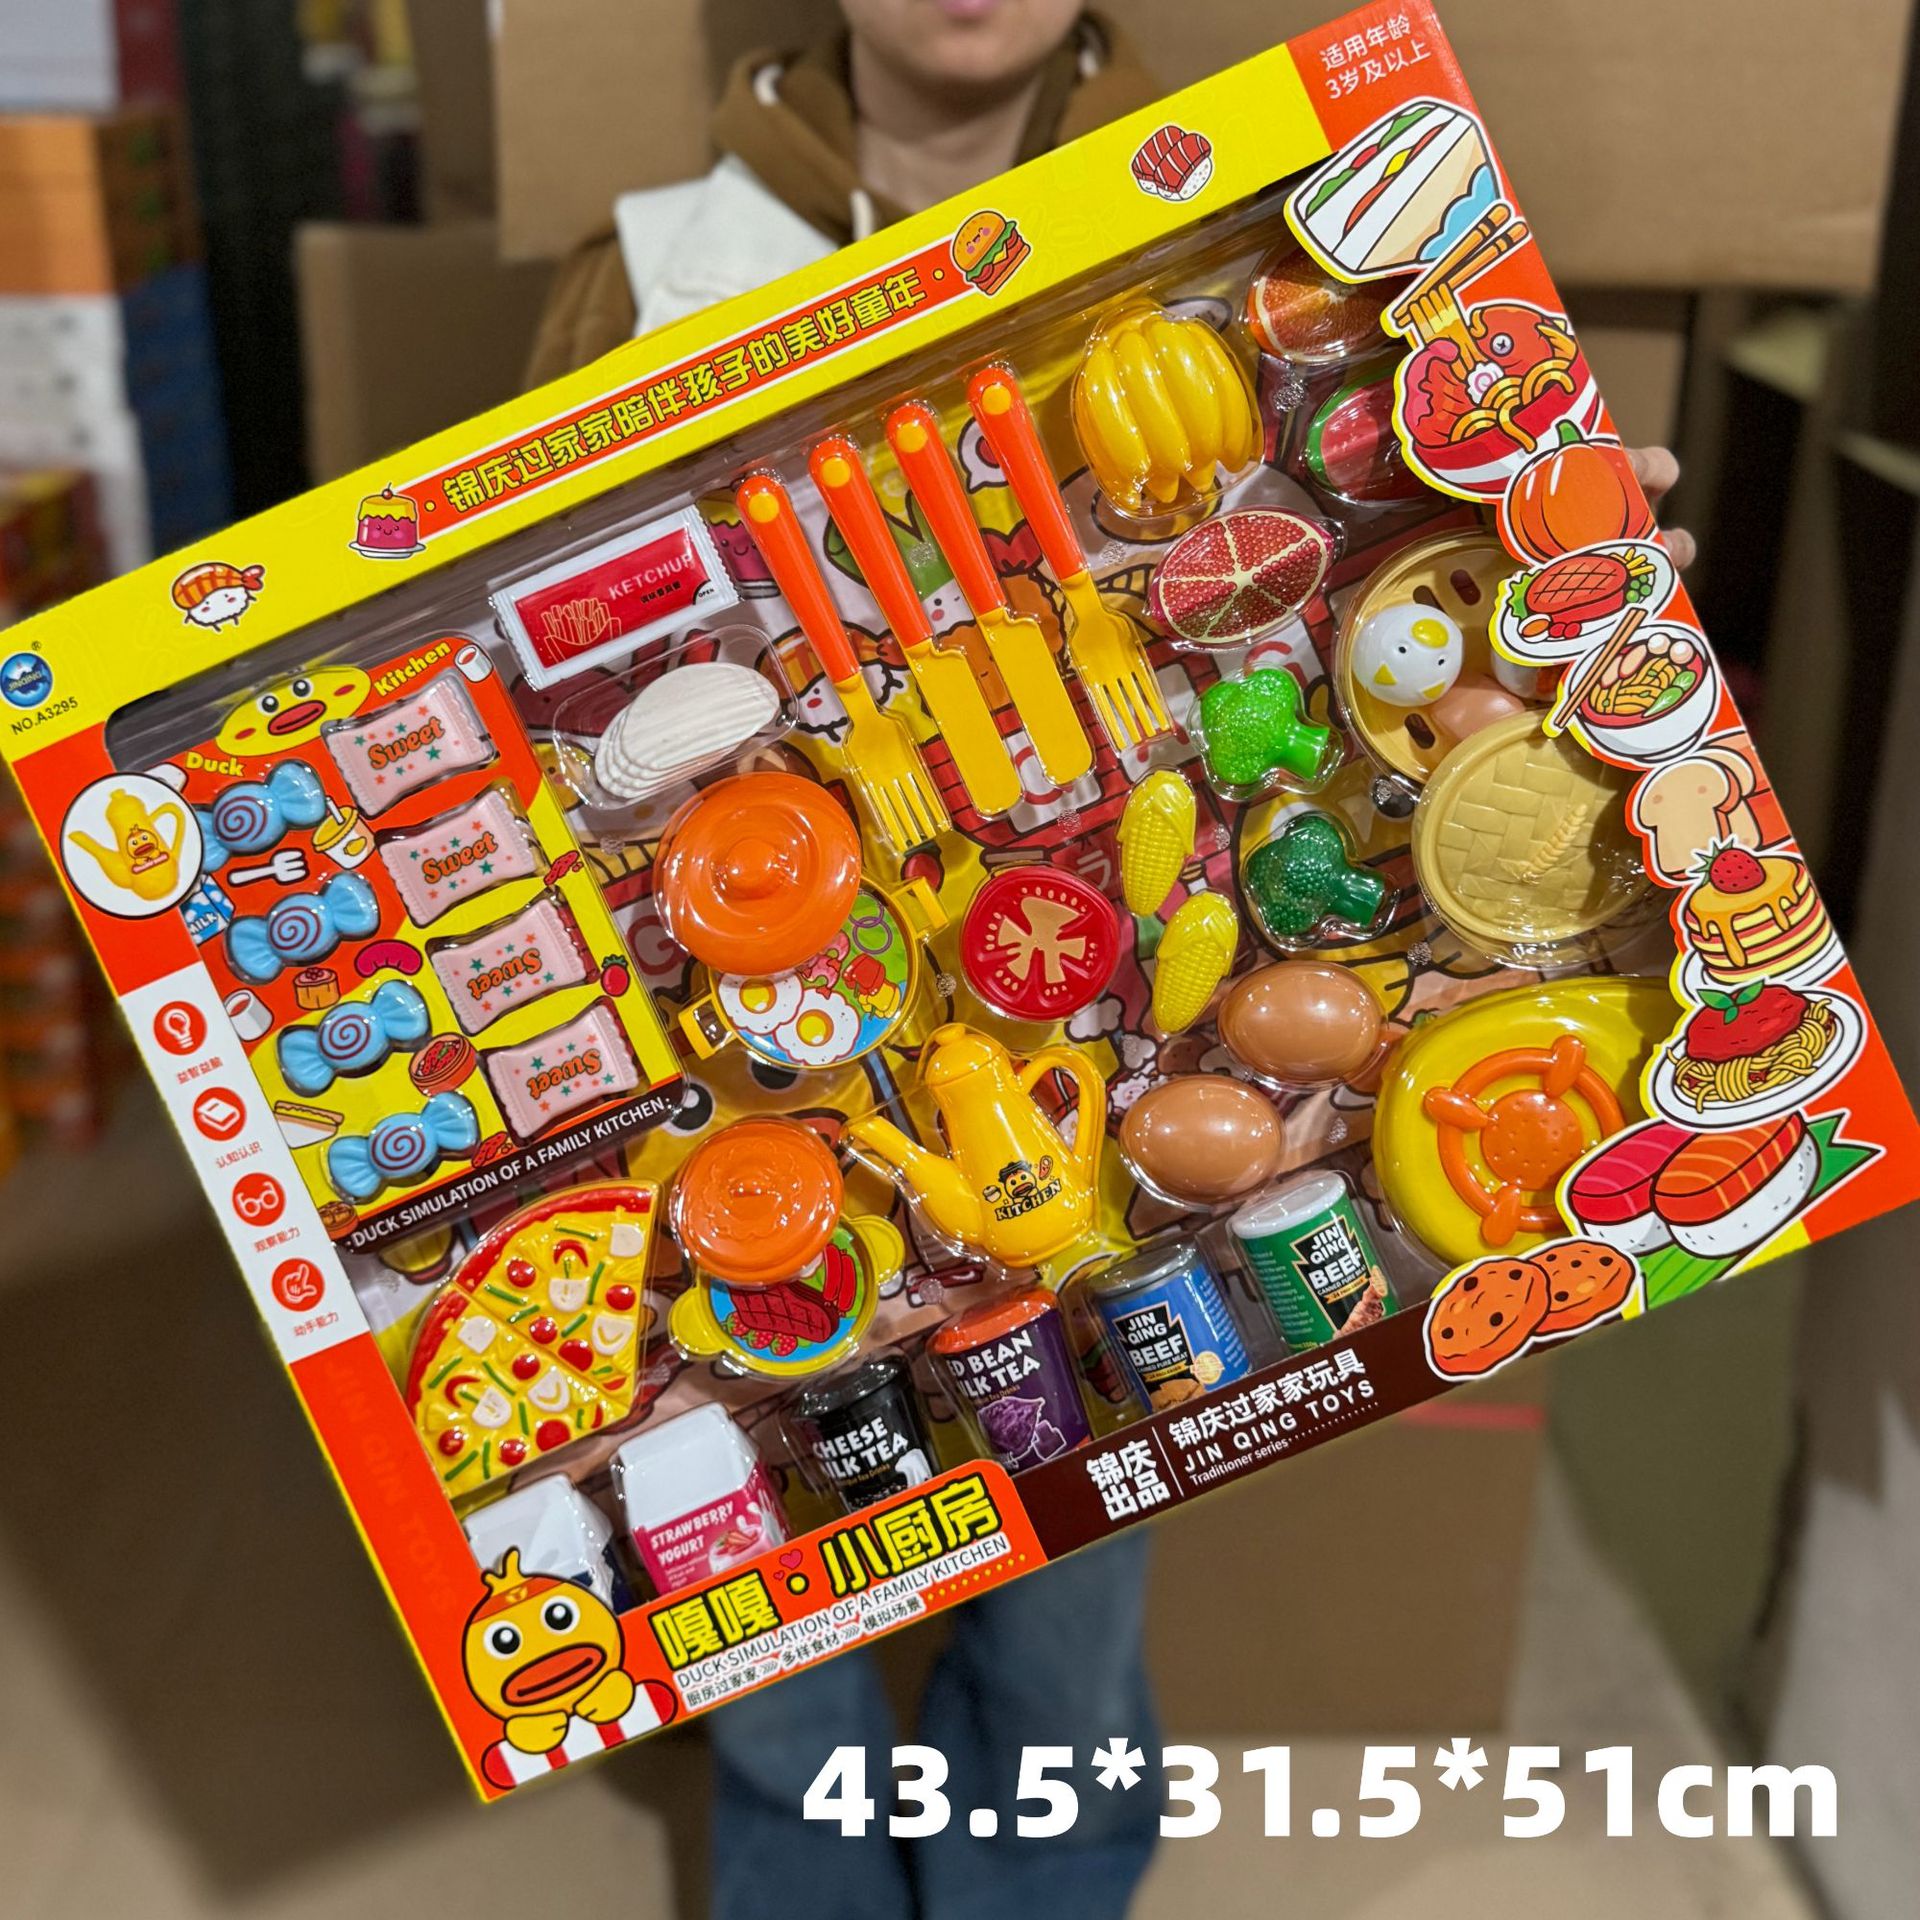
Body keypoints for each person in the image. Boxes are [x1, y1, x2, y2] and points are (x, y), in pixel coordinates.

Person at [525, 7, 1691, 1914]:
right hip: (774, 1084)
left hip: (1151, 1052)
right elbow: (531, 689)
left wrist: (1567, 564)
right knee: (769, 1612)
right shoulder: (649, 273)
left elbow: (1412, 587)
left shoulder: (1293, 224)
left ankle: (1043, 1876)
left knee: (1077, 1566)